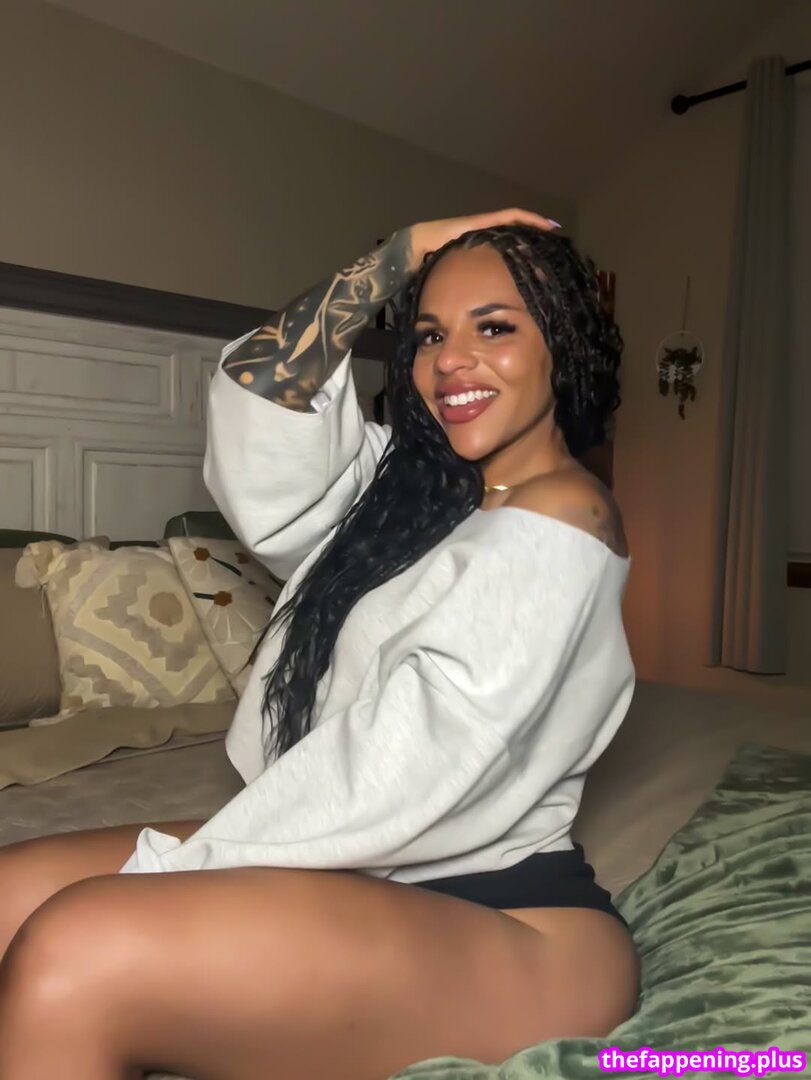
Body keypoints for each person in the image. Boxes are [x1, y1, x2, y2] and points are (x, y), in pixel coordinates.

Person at [0, 208, 638, 1080]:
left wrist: (181, 872)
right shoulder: (408, 494)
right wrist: (391, 261)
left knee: (75, 950)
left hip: (507, 916)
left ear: (560, 345)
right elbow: (263, 398)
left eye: (494, 327)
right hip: (361, 864)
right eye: (428, 335)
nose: (450, 360)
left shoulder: (564, 514)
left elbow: (406, 766)